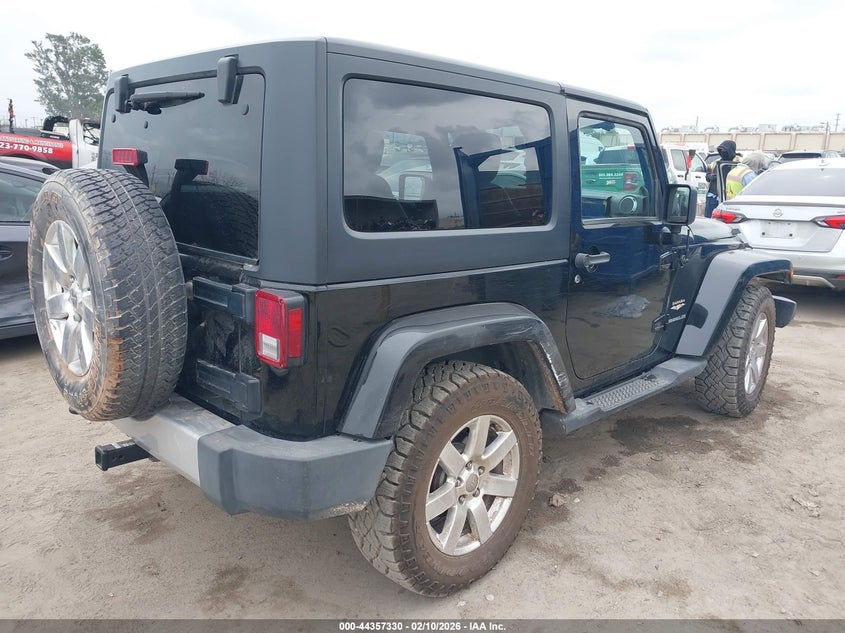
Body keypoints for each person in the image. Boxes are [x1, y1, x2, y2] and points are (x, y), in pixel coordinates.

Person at [704, 140, 739, 217]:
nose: (723, 152)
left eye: (725, 151)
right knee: (709, 218)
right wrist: (710, 176)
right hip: (713, 194)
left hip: (730, 197)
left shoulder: (737, 163)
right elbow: (707, 175)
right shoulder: (716, 162)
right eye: (721, 150)